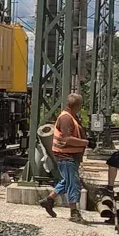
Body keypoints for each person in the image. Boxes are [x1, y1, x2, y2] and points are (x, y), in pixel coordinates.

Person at [39, 92, 88, 222]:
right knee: (73, 183)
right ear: (77, 105)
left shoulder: (70, 116)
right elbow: (67, 139)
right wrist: (86, 142)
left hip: (69, 156)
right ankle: (74, 212)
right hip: (66, 156)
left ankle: (49, 200)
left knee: (66, 181)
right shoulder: (66, 118)